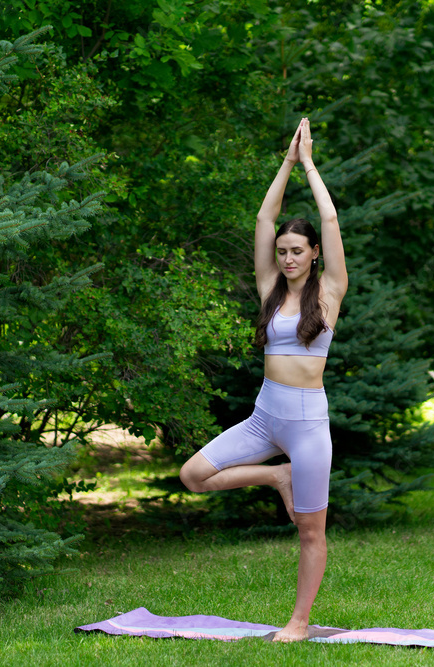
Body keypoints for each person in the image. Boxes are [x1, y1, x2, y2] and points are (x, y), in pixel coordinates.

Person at [179, 117, 347, 642]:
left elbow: (330, 217)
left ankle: (299, 621)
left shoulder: (330, 292)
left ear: (315, 253)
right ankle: (277, 476)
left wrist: (310, 164)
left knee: (310, 531)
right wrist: (286, 162)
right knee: (193, 475)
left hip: (308, 424)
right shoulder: (270, 288)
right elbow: (263, 217)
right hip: (265, 417)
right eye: (283, 251)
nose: (288, 258)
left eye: (298, 250)